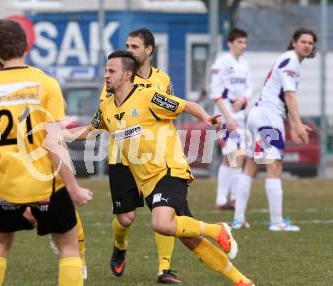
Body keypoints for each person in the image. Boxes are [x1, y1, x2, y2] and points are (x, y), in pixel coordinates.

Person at [72, 50, 255, 286]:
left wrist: (206, 117)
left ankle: (216, 229)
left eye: (111, 71)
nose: (105, 76)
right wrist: (57, 134)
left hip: (169, 170)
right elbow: (88, 131)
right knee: (188, 238)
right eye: (105, 70)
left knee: (161, 223)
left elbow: (186, 104)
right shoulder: (107, 107)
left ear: (127, 75)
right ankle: (241, 280)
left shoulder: (149, 97)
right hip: (148, 182)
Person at [0, 19, 92, 286]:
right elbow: (55, 143)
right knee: (69, 248)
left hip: (6, 189)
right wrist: (74, 188)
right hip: (47, 186)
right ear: (26, 46)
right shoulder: (46, 84)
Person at [97, 28, 182, 284]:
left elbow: (169, 113)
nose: (129, 51)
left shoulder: (162, 80)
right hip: (122, 157)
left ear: (149, 50)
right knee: (126, 218)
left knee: (163, 210)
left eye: (134, 47)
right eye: (127, 46)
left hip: (154, 159)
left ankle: (164, 269)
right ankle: (119, 245)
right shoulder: (116, 79)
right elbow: (104, 112)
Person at [232, 28, 316, 231]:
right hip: (268, 118)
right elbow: (289, 96)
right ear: (293, 42)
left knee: (251, 165)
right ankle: (276, 222)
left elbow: (283, 97)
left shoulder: (288, 59)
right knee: (274, 165)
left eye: (310, 43)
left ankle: (238, 219)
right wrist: (296, 125)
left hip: (259, 115)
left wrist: (293, 123)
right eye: (303, 41)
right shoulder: (291, 61)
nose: (306, 45)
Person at [209, 28, 252, 214]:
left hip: (239, 116)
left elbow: (249, 88)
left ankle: (227, 199)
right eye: (239, 42)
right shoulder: (222, 63)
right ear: (230, 43)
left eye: (245, 42)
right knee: (235, 156)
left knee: (234, 157)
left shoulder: (244, 64)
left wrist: (243, 100)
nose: (243, 45)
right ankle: (227, 198)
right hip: (225, 117)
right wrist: (227, 118)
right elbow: (215, 92)